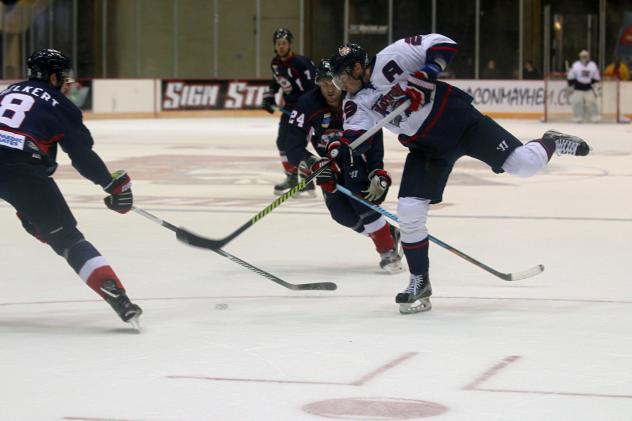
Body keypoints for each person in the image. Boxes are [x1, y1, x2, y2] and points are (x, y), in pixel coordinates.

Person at [327, 36, 590, 314]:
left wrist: (427, 72)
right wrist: (339, 148)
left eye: (342, 76)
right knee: (409, 210)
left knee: (525, 165)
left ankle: (551, 141)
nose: (340, 84)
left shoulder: (394, 56)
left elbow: (445, 44)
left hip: (460, 122)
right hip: (427, 148)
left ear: (357, 68)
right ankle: (419, 281)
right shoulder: (354, 103)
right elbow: (358, 136)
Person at [0, 49, 142, 328]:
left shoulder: (6, 92)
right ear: (53, 77)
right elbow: (82, 157)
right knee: (68, 240)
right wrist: (112, 185)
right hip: (22, 170)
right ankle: (120, 299)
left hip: (19, 166)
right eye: (64, 77)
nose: (68, 84)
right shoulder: (61, 104)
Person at [285, 59, 403, 273]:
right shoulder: (307, 104)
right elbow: (291, 145)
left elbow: (374, 137)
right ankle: (389, 233)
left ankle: (387, 251)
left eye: (333, 82)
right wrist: (313, 164)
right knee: (341, 214)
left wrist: (377, 167)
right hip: (328, 163)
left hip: (357, 156)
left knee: (359, 197)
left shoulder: (358, 99)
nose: (329, 88)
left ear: (342, 80)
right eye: (323, 83)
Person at [261, 28, 317, 196]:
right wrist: (269, 98)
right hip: (289, 109)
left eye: (284, 43)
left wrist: (306, 108)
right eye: (278, 44)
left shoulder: (301, 63)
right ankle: (293, 178)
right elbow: (276, 83)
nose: (281, 46)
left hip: (303, 110)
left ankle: (306, 180)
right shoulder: (275, 63)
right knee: (282, 144)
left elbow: (312, 87)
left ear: (290, 44)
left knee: (296, 145)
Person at [567, 50, 601, 123]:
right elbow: (571, 76)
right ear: (580, 57)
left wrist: (595, 85)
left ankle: (595, 118)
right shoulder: (576, 65)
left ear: (588, 57)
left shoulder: (592, 65)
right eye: (582, 56)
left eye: (585, 56)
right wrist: (570, 85)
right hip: (578, 87)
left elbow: (596, 76)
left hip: (588, 87)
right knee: (577, 102)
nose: (584, 58)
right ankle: (578, 118)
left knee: (592, 102)